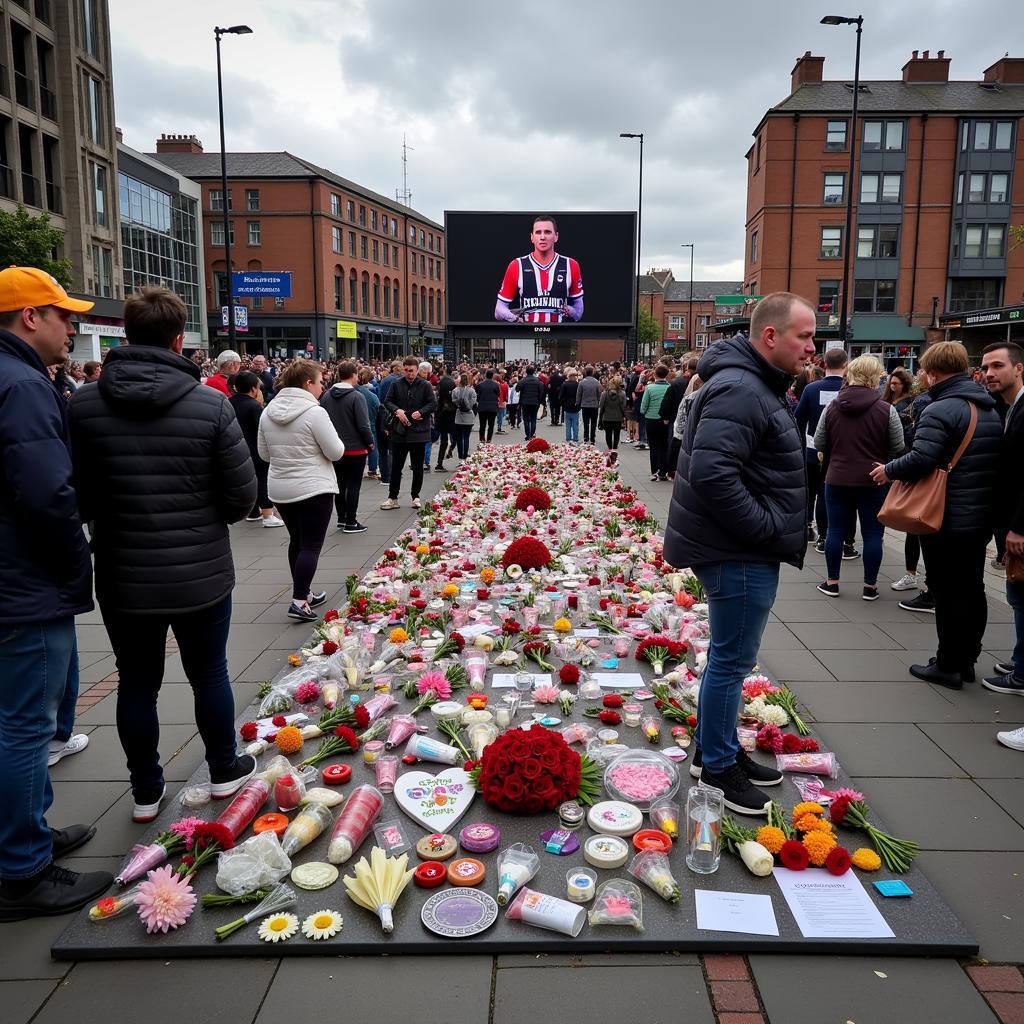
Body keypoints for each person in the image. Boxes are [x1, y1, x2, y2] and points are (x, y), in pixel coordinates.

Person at [68, 285, 258, 826]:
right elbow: (241, 496)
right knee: (209, 673)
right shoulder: (210, 404)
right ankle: (224, 769)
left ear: (125, 334)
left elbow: (75, 490)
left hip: (125, 572)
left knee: (136, 682)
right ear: (180, 340)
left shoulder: (83, 405)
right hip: (200, 571)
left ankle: (146, 791)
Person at [664, 292, 816, 815]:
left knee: (729, 659)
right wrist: (766, 526)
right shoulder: (741, 387)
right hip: (737, 550)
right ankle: (722, 768)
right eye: (805, 336)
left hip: (736, 546)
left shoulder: (748, 382)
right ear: (770, 336)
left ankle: (715, 752)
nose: (812, 348)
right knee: (732, 660)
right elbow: (712, 473)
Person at [0, 266, 111, 920]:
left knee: (20, 721)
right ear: (27, 317)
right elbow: (46, 493)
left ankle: (31, 837)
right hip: (23, 582)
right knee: (25, 727)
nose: (73, 326)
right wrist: (75, 556)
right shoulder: (21, 385)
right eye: (62, 314)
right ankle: (22, 871)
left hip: (14, 575)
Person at [870, 341, 1001, 689]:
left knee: (946, 590)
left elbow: (922, 458)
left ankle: (948, 664)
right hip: (978, 516)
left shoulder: (941, 409)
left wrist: (889, 469)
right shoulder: (988, 408)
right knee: (973, 588)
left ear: (931, 373)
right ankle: (967, 658)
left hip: (948, 515)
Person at [813, 356, 905, 600]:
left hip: (837, 477)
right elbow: (898, 446)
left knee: (835, 531)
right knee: (874, 535)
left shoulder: (833, 406)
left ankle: (832, 582)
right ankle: (870, 586)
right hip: (874, 479)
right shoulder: (887, 409)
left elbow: (820, 441)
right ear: (875, 377)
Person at [258, 359, 344, 621]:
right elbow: (336, 451)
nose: (322, 387)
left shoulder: (268, 411)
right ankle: (299, 601)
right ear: (308, 383)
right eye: (320, 382)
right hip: (313, 487)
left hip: (282, 488)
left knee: (297, 540)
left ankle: (303, 592)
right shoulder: (314, 412)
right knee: (311, 545)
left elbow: (264, 454)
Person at [979, 342, 1024, 704]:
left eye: (998, 366)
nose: (989, 373)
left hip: (1019, 524)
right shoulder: (1006, 407)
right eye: (985, 367)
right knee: (1017, 594)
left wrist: (1019, 526)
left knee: (1023, 597)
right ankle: (1020, 660)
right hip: (1007, 519)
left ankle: (1022, 672)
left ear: (1019, 368)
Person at [794, 347, 858, 558]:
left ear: (824, 364)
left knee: (818, 494)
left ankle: (821, 536)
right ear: (845, 364)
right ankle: (847, 542)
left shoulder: (811, 390)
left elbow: (798, 419)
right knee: (846, 498)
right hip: (846, 453)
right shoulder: (851, 389)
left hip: (814, 450)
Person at [494, 215, 583, 324]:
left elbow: (579, 311)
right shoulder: (516, 265)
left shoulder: (571, 265)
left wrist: (571, 311)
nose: (542, 237)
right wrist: (514, 318)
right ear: (532, 237)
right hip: (528, 336)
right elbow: (499, 310)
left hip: (559, 336)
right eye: (538, 232)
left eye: (547, 232)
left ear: (556, 236)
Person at [321, 360, 373, 533]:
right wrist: (370, 442)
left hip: (335, 448)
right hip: (356, 448)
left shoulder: (327, 396)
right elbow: (363, 426)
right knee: (354, 486)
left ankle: (342, 518)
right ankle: (351, 521)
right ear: (353, 375)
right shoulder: (357, 397)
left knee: (340, 485)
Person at [380, 356, 436, 511]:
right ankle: (393, 497)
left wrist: (421, 412)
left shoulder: (425, 385)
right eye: (407, 370)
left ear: (417, 370)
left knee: (418, 467)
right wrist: (397, 410)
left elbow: (433, 403)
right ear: (403, 369)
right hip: (400, 431)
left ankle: (415, 496)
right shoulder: (396, 384)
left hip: (418, 432)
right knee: (396, 466)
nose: (409, 373)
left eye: (412, 371)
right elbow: (387, 401)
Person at [231, 371, 285, 528]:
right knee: (261, 480)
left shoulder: (229, 402)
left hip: (236, 449)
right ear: (254, 389)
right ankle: (268, 514)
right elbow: (263, 429)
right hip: (255, 450)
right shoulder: (253, 406)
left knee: (247, 481)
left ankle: (253, 511)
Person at [641, 364, 672, 480]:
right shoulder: (670, 387)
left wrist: (645, 412)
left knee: (653, 446)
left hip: (651, 419)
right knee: (664, 445)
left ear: (655, 375)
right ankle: (663, 472)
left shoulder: (649, 388)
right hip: (666, 420)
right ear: (666, 375)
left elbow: (643, 407)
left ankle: (654, 471)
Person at [375, 360, 403, 487]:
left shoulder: (384, 380)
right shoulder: (400, 381)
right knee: (393, 449)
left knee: (382, 450)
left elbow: (380, 399)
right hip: (394, 416)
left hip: (382, 416)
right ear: (397, 368)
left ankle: (385, 477)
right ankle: (393, 475)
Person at [598, 375, 627, 464]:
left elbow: (601, 406)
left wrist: (600, 418)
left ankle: (610, 448)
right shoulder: (622, 394)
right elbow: (623, 406)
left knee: (608, 433)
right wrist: (624, 416)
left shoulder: (604, 393)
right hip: (618, 417)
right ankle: (615, 448)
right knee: (617, 433)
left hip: (607, 417)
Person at [432, 364, 456, 472]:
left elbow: (438, 397)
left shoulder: (441, 382)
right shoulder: (452, 383)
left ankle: (439, 462)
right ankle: (452, 452)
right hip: (450, 414)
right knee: (455, 437)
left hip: (441, 414)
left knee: (443, 440)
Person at [358, 368, 381, 478]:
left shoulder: (356, 392)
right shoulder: (373, 393)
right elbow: (378, 407)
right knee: (373, 446)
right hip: (371, 422)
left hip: (357, 423)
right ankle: (372, 469)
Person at [452, 373, 478, 461]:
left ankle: (460, 455)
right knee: (466, 437)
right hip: (468, 417)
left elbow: (454, 401)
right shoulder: (471, 391)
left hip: (459, 416)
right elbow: (473, 402)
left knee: (459, 437)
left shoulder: (455, 390)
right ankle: (465, 454)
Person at [517, 364, 545, 440]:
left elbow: (517, 388)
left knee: (526, 419)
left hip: (525, 402)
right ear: (533, 372)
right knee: (533, 419)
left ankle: (528, 434)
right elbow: (541, 390)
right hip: (535, 402)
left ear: (526, 372)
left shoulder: (523, 380)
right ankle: (532, 434)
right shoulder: (538, 381)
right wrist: (539, 400)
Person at [577, 365, 602, 444]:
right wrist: (598, 402)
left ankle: (586, 438)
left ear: (585, 372)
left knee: (586, 423)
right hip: (594, 405)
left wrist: (578, 403)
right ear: (593, 372)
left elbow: (579, 394)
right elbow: (599, 394)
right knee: (594, 423)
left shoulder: (581, 382)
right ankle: (592, 438)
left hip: (585, 405)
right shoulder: (597, 382)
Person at [476, 369, 500, 443]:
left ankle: (482, 438)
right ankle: (489, 439)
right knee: (491, 425)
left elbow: (477, 396)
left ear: (485, 375)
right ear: (492, 376)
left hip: (482, 407)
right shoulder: (496, 385)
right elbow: (498, 394)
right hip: (492, 407)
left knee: (482, 424)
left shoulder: (480, 385)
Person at [561, 368, 581, 442]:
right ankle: (575, 438)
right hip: (575, 406)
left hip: (567, 406)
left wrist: (563, 403)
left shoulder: (564, 384)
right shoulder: (578, 384)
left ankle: (568, 438)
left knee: (568, 425)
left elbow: (561, 396)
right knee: (575, 424)